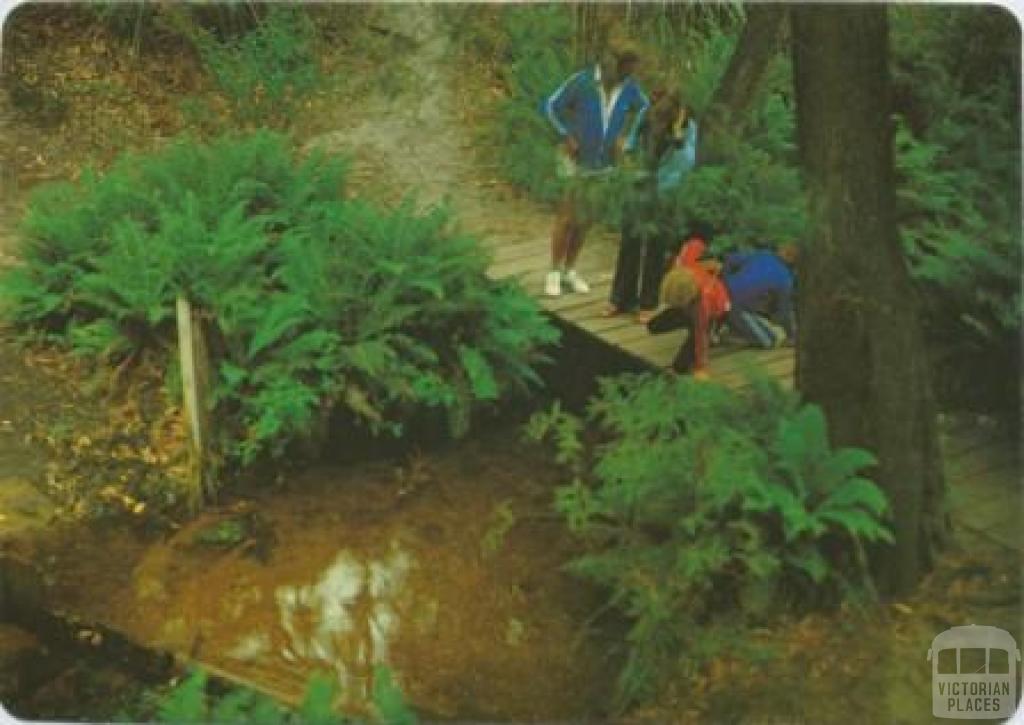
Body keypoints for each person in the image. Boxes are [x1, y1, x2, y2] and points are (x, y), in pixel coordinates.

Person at [541, 39, 650, 297]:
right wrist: (565, 134)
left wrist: (627, 138)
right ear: (612, 63)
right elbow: (550, 106)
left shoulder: (630, 88)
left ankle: (570, 269)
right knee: (567, 215)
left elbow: (645, 109)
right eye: (625, 70)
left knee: (586, 218)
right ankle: (554, 271)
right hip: (575, 160)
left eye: (631, 72)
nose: (628, 76)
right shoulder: (583, 81)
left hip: (604, 164)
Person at [605, 91, 698, 322]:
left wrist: (677, 137)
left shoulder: (687, 128)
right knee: (630, 241)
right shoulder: (647, 116)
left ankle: (648, 302)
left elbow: (687, 161)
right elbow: (631, 145)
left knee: (655, 247)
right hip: (639, 184)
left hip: (666, 192)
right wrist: (628, 162)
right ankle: (620, 298)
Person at [646, 234, 730, 377]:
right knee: (653, 326)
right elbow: (694, 243)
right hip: (690, 300)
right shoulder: (683, 264)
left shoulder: (703, 305)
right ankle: (688, 322)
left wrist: (701, 367)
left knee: (682, 364)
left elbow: (701, 336)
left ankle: (716, 330)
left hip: (717, 312)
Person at [721, 244, 797, 348]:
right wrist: (791, 335)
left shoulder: (763, 254)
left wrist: (725, 282)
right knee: (769, 341)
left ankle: (734, 329)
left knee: (752, 316)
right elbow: (784, 314)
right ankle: (732, 336)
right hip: (734, 307)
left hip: (721, 297)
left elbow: (730, 259)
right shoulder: (785, 280)